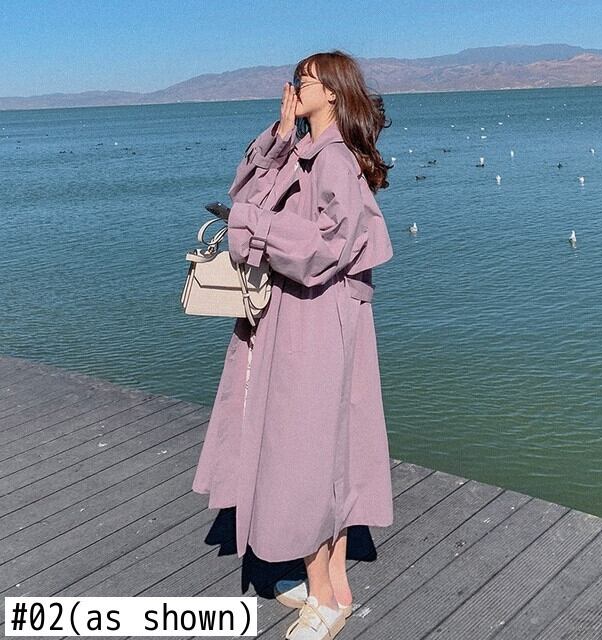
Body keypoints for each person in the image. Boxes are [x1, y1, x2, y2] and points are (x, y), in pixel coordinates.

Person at [191, 50, 394, 640]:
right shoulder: (310, 150)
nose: (294, 88)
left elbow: (326, 246)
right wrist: (280, 138)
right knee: (324, 450)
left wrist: (253, 230)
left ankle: (327, 598)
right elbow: (249, 193)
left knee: (303, 451)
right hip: (302, 314)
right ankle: (332, 587)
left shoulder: (334, 160)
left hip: (316, 318)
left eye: (305, 81)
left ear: (332, 92)